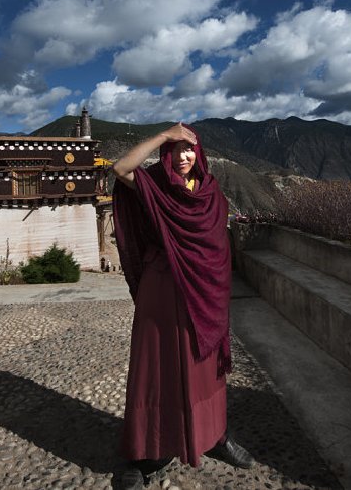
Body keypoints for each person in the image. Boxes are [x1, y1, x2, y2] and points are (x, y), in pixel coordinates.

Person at [112, 122, 254, 490]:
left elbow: (216, 246)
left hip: (206, 295)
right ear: (165, 155)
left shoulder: (210, 191)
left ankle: (215, 434)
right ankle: (143, 454)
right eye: (175, 151)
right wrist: (163, 134)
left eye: (189, 149)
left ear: (200, 153)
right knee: (156, 369)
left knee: (204, 368)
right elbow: (120, 169)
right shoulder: (156, 186)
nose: (183, 157)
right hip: (161, 290)